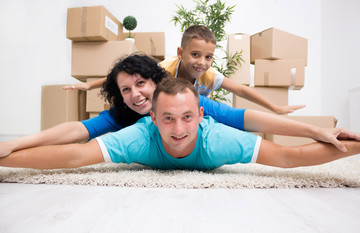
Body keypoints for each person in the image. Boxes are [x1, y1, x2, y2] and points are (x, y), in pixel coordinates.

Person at [0, 54, 357, 158]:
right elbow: (77, 131)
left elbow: (247, 118)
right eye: (126, 90)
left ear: (158, 84)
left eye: (141, 84)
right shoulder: (124, 116)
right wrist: (14, 143)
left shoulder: (193, 105)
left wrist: (315, 130)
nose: (136, 94)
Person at [1, 77, 360, 171]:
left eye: (188, 117)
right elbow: (74, 156)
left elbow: (284, 157)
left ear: (201, 116)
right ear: (153, 118)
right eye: (168, 119)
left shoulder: (218, 139)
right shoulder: (137, 137)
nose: (178, 129)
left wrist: (341, 140)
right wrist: (7, 153)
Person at [68, 25, 305, 114]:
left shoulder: (209, 75)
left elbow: (241, 91)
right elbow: (126, 74)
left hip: (197, 112)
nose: (201, 62)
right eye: (195, 54)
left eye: (208, 56)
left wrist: (275, 107)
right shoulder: (164, 69)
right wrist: (89, 84)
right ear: (181, 53)